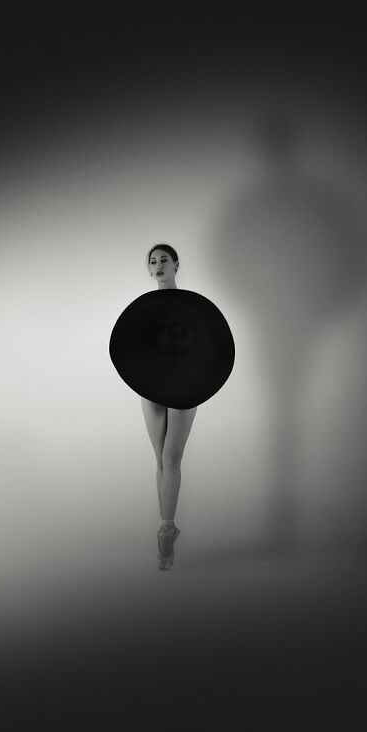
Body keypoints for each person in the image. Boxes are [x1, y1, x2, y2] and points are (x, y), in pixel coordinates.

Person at [142, 244, 197, 570]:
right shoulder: (144, 308)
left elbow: (201, 347)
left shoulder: (190, 305)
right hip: (151, 385)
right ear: (149, 270)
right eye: (153, 261)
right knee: (161, 457)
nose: (159, 265)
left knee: (171, 457)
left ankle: (165, 529)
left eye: (164, 260)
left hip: (185, 383)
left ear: (176, 264)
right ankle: (168, 529)